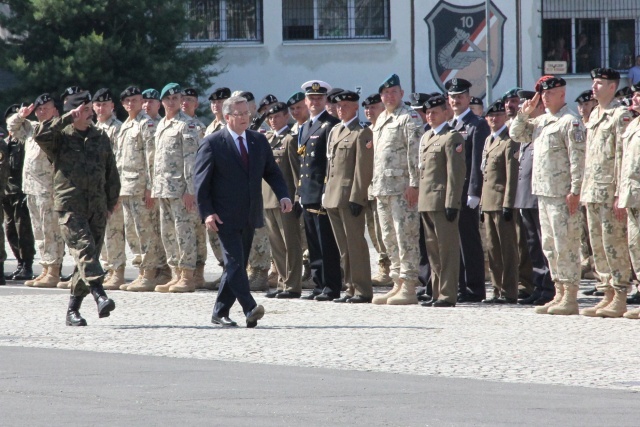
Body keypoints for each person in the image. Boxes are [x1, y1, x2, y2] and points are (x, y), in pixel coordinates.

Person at [195, 95, 292, 328]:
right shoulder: (213, 143)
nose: (244, 118)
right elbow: (201, 183)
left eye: (247, 113)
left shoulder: (258, 141)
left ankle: (220, 311)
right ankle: (249, 307)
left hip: (250, 213)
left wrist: (284, 195)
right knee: (235, 263)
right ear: (227, 117)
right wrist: (207, 212)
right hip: (223, 215)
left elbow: (272, 172)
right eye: (239, 114)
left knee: (236, 263)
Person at [33, 90, 120, 326]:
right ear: (74, 111)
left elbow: (111, 172)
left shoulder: (100, 137)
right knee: (85, 250)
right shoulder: (60, 137)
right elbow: (40, 134)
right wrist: (67, 118)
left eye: (90, 109)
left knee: (87, 258)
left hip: (97, 207)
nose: (89, 113)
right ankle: (100, 294)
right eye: (83, 109)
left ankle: (73, 310)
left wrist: (110, 203)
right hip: (71, 206)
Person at [510, 76, 586, 316]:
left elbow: (578, 159)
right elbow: (516, 133)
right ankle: (559, 292)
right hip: (543, 193)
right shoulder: (541, 121)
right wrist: (525, 112)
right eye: (542, 93)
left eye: (549, 93)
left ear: (562, 94)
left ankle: (571, 295)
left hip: (563, 195)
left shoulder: (570, 122)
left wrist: (575, 190)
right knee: (550, 246)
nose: (544, 97)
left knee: (566, 245)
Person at [580, 68, 633, 317]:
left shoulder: (619, 115)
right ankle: (607, 293)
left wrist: (618, 194)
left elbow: (622, 157)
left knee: (614, 245)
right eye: (594, 83)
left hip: (609, 191)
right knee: (598, 245)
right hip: (592, 190)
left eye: (599, 83)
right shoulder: (594, 115)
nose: (594, 87)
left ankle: (621, 294)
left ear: (612, 87)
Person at [370, 74, 423, 305]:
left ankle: (409, 285)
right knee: (388, 237)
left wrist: (414, 184)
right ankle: (397, 283)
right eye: (385, 93)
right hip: (382, 188)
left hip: (402, 188)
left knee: (406, 236)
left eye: (393, 92)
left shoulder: (408, 117)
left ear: (401, 94)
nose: (389, 96)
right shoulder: (381, 118)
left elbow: (415, 153)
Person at [116, 86, 171, 292]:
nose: (132, 104)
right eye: (128, 101)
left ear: (141, 102)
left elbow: (152, 158)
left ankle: (149, 273)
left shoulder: (146, 124)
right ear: (123, 104)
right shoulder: (126, 125)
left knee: (146, 231)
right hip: (127, 186)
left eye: (136, 100)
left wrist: (150, 187)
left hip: (141, 187)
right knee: (133, 231)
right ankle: (145, 270)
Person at [7, 95, 65, 288]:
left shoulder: (57, 128)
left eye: (46, 108)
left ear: (55, 110)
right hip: (31, 189)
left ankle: (54, 269)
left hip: (48, 189)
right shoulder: (31, 128)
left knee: (51, 232)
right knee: (38, 232)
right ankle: (46, 268)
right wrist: (21, 115)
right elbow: (12, 128)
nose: (42, 112)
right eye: (39, 109)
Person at [324, 90, 374, 303]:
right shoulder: (335, 131)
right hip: (333, 195)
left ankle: (362, 289)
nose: (340, 109)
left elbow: (363, 169)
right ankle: (350, 287)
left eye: (345, 105)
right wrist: (326, 192)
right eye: (338, 106)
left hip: (349, 195)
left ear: (355, 107)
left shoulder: (361, 133)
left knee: (355, 244)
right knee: (343, 247)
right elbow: (331, 165)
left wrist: (358, 196)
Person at [152, 83, 201, 293]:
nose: (172, 102)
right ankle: (175, 274)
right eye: (168, 99)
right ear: (162, 102)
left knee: (185, 232)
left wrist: (191, 190)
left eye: (176, 98)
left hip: (181, 190)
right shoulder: (161, 124)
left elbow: (191, 160)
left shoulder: (187, 125)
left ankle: (188, 275)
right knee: (168, 233)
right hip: (163, 188)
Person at [418, 95, 466, 307]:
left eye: (435, 112)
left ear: (446, 113)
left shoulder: (451, 137)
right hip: (427, 201)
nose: (430, 116)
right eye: (427, 113)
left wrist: (452, 203)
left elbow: (455, 174)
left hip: (442, 201)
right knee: (433, 250)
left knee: (447, 250)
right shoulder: (427, 136)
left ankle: (447, 294)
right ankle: (436, 292)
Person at [445, 78, 490, 303]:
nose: (456, 100)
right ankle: (460, 285)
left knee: (469, 240)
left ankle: (474, 288)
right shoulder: (449, 124)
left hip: (465, 191)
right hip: (450, 192)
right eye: (452, 97)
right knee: (454, 240)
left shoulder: (476, 124)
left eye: (460, 96)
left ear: (468, 97)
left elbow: (476, 161)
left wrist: (475, 190)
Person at [297, 80, 342, 301]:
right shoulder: (305, 126)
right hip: (307, 192)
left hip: (321, 191)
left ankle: (331, 286)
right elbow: (303, 162)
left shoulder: (331, 124)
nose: (315, 102)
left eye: (319, 98)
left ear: (325, 100)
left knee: (326, 242)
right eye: (311, 98)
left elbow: (330, 162)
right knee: (313, 242)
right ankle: (318, 284)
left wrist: (326, 190)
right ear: (305, 101)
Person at [512, 90, 555, 305]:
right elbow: (514, 132)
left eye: (531, 104)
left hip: (541, 195)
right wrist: (523, 115)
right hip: (526, 196)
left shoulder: (547, 128)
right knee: (533, 245)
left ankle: (549, 287)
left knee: (544, 242)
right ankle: (539, 286)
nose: (527, 108)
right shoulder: (530, 131)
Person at [479, 100, 519, 304]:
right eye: (490, 116)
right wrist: (481, 204)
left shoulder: (509, 140)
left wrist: (508, 204)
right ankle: (496, 290)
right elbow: (485, 174)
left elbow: (511, 176)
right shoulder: (489, 140)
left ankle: (510, 291)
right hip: (488, 202)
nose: (494, 119)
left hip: (501, 201)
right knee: (493, 250)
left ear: (504, 116)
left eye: (497, 115)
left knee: (507, 249)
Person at [261, 102, 302, 299]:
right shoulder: (267, 139)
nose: (273, 121)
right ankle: (282, 282)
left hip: (285, 200)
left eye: (277, 117)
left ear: (287, 117)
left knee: (290, 243)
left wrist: (296, 198)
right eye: (270, 118)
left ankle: (292, 285)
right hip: (267, 199)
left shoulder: (290, 140)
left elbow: (296, 173)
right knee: (276, 244)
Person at [93, 88, 128, 290]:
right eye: (97, 104)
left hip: (111, 189)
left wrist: (114, 193)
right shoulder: (94, 128)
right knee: (103, 232)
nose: (101, 108)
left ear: (112, 106)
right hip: (97, 190)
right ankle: (107, 269)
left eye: (105, 104)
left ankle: (117, 271)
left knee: (115, 231)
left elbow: (119, 163)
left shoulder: (118, 128)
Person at [361, 93, 392, 287]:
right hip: (369, 188)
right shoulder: (366, 131)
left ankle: (389, 268)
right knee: (373, 230)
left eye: (373, 107)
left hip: (385, 187)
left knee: (385, 230)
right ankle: (383, 266)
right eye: (366, 108)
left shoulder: (386, 129)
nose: (369, 111)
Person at [3, 103, 36, 281]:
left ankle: (27, 264)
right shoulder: (4, 144)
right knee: (10, 230)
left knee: (23, 229)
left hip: (21, 192)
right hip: (7, 193)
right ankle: (19, 262)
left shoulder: (25, 142)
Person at [620, 83, 640, 318]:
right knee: (635, 246)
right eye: (633, 94)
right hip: (632, 195)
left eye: (638, 95)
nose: (634, 98)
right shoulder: (633, 124)